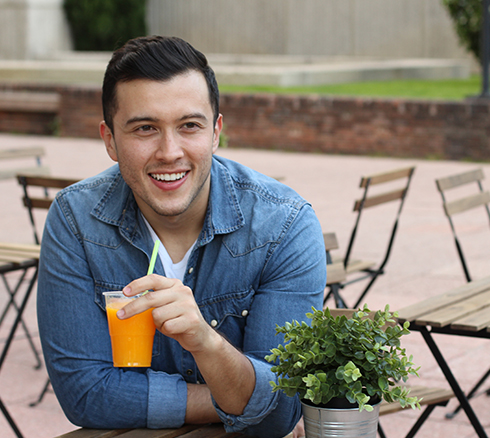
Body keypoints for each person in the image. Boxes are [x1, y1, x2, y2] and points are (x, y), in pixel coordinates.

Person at [37, 35, 326, 438]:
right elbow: (84, 395)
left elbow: (279, 415)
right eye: (145, 128)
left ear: (215, 132)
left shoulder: (284, 225)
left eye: (189, 125)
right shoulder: (75, 220)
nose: (169, 151)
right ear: (110, 140)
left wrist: (205, 342)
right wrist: (232, 400)